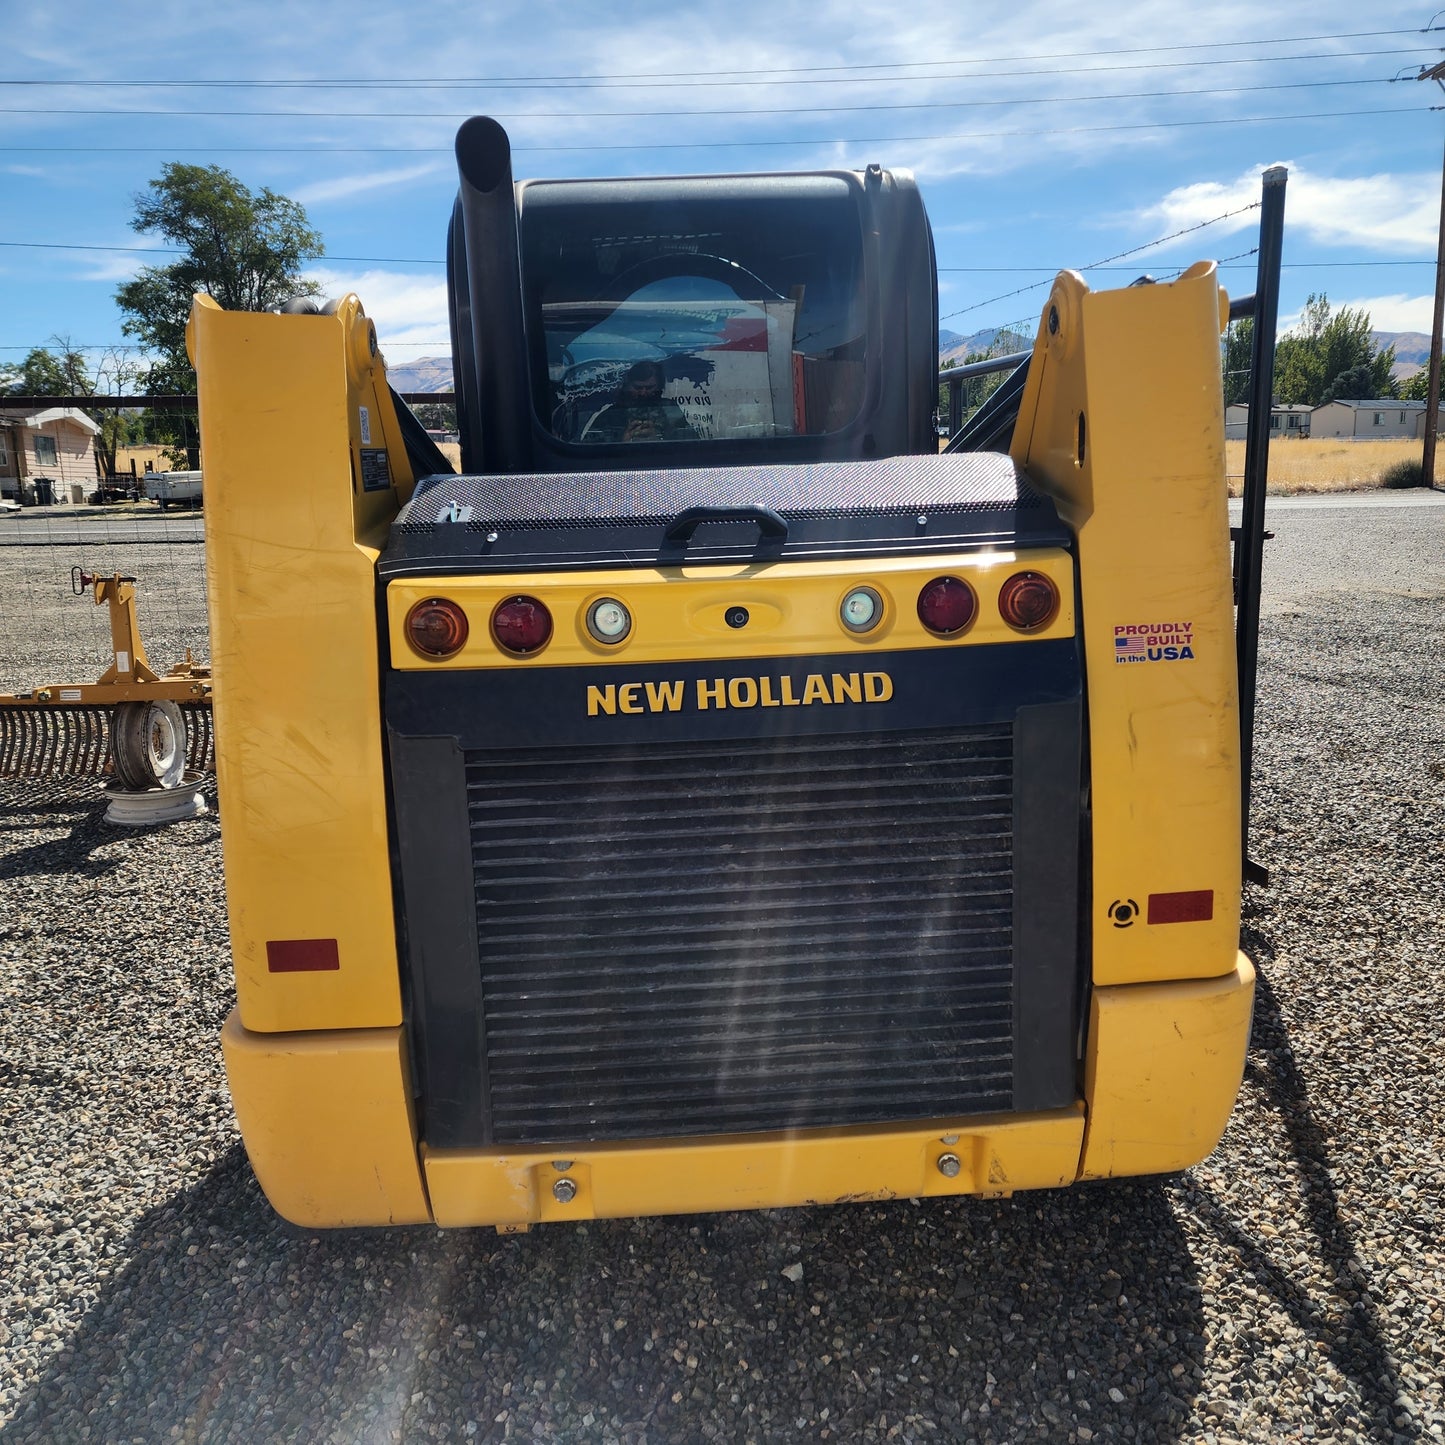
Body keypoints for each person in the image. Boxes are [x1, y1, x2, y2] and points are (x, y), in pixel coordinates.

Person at [582, 360, 696, 443]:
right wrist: (622, 442)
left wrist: (659, 440)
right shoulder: (611, 415)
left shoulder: (670, 410)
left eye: (649, 388)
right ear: (627, 386)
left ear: (659, 387)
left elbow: (691, 446)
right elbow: (588, 451)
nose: (643, 393)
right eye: (638, 388)